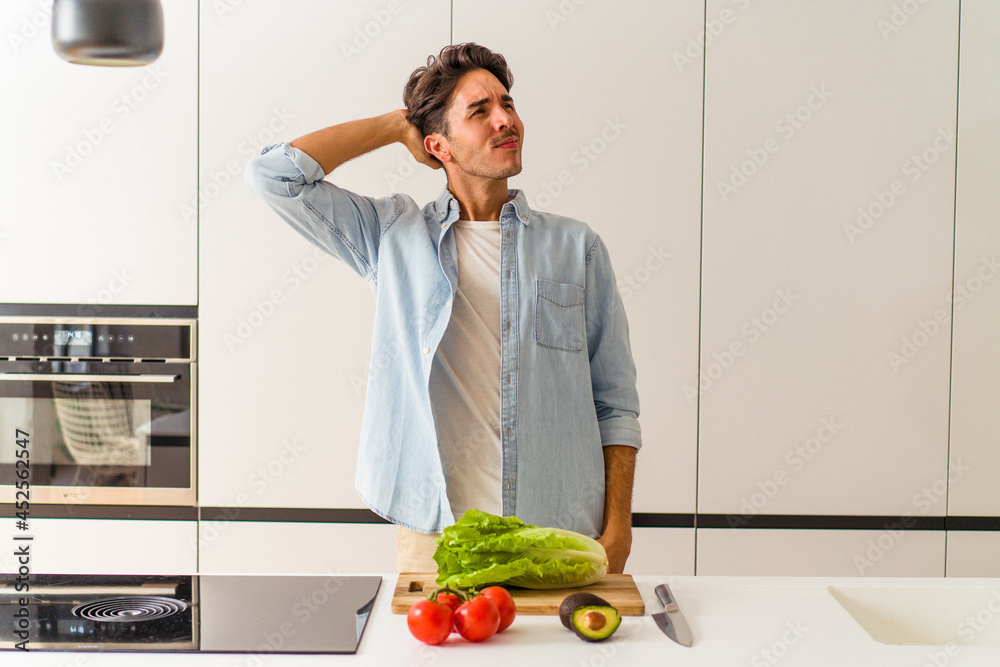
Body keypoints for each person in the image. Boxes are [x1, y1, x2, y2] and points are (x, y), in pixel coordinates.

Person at [245, 43, 641, 574]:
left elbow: (615, 402)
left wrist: (619, 526)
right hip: (437, 536)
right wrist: (393, 126)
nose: (506, 119)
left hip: (559, 531)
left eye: (508, 104)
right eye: (479, 111)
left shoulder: (576, 246)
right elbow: (274, 176)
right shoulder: (390, 236)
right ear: (438, 145)